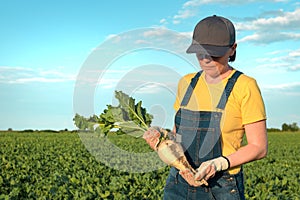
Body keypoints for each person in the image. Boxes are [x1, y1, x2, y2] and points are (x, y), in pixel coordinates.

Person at [143, 15, 268, 199]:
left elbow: (259, 147)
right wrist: (161, 139)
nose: (206, 59)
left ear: (232, 49)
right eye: (201, 52)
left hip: (221, 185)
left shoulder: (245, 86)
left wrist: (218, 164)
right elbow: (178, 135)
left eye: (214, 53)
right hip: (178, 183)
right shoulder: (186, 83)